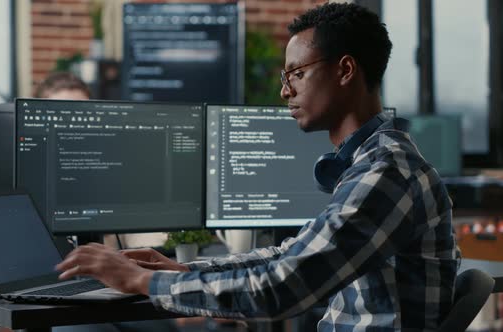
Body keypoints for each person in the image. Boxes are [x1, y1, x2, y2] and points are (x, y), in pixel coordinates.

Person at [56, 3, 459, 330]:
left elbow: (281, 290)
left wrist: (142, 280)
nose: (285, 91)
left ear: (345, 70)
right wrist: (182, 269)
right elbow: (293, 256)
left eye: (297, 74)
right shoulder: (370, 163)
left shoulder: (387, 174)